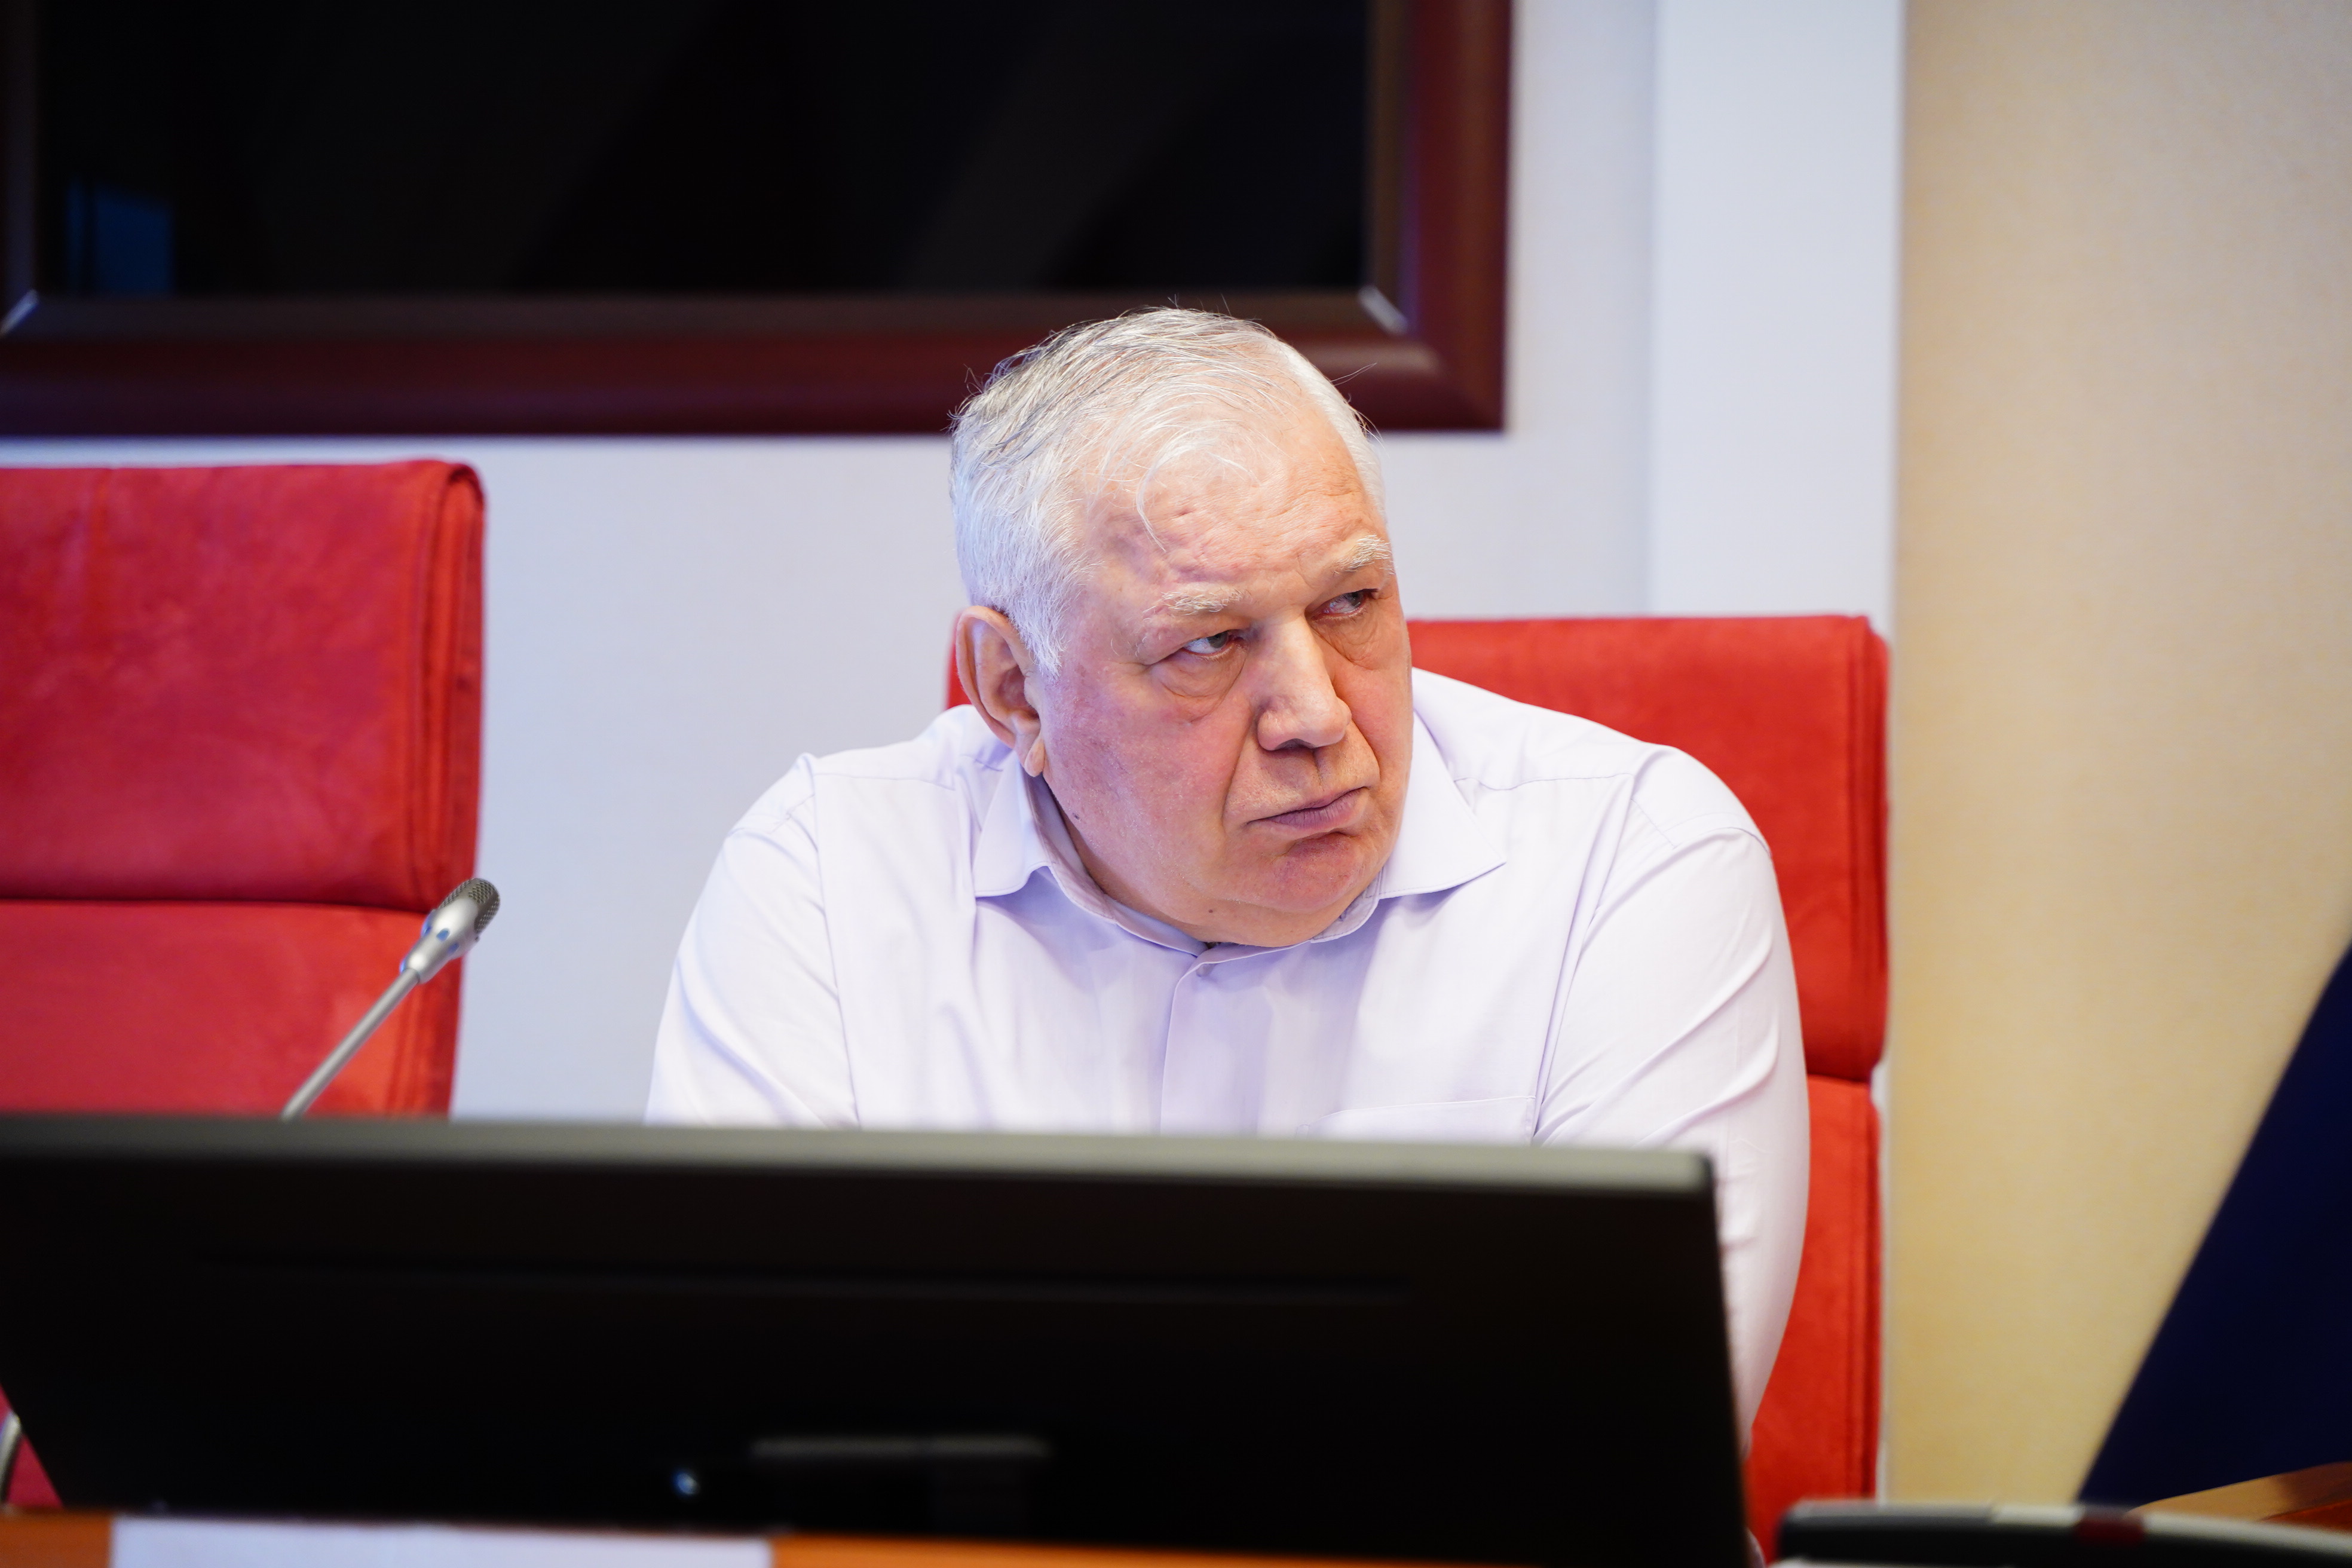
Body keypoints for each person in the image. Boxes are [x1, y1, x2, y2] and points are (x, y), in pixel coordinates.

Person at [648, 308, 1808, 1433]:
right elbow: (734, 1424)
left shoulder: (1630, 861)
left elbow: (1616, 1456)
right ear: (1013, 690)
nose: (1316, 715)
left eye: (1351, 602)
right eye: (1206, 642)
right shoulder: (829, 880)